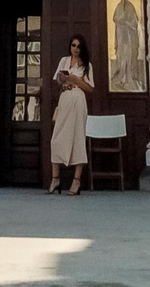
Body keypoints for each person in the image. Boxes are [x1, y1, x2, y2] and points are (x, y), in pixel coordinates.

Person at [47, 33, 95, 194]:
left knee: (77, 137)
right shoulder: (64, 61)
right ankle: (55, 178)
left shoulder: (86, 65)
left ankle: (76, 181)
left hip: (78, 98)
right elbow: (57, 81)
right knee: (57, 137)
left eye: (78, 46)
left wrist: (77, 81)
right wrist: (63, 78)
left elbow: (90, 88)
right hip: (65, 97)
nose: (75, 48)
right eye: (73, 45)